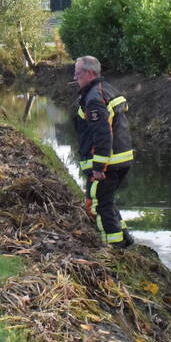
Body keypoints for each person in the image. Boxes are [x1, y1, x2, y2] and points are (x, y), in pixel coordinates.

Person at [72, 55, 135, 248]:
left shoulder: (94, 99)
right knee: (108, 201)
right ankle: (125, 239)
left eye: (78, 73)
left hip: (108, 164)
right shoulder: (106, 89)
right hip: (120, 159)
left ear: (90, 73)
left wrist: (99, 166)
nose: (75, 77)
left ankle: (113, 248)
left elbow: (102, 134)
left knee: (100, 204)